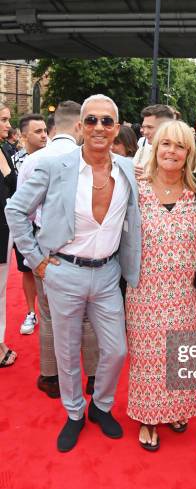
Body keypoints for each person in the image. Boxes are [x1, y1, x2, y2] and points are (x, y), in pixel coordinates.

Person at [6, 94, 141, 453]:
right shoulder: (55, 166)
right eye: (92, 120)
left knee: (115, 350)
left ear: (117, 128)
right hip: (64, 271)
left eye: (107, 121)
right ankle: (75, 413)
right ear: (81, 127)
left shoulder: (128, 169)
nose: (99, 127)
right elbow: (16, 210)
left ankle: (101, 406)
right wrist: (35, 259)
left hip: (109, 274)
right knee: (66, 352)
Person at [126, 120, 196, 450]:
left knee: (183, 355)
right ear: (155, 147)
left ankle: (177, 409)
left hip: (190, 293)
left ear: (188, 153)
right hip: (145, 291)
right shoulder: (136, 187)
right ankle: (148, 416)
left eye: (180, 146)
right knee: (148, 357)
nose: (172, 151)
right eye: (165, 144)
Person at [17, 101, 99, 399]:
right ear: (79, 125)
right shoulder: (89, 158)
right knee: (88, 316)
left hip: (46, 247)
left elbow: (20, 212)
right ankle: (91, 378)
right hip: (86, 246)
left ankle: (51, 378)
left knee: (50, 315)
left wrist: (33, 256)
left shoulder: (33, 160)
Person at [13, 113, 48, 336]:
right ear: (24, 135)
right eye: (38, 131)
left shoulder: (53, 157)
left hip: (47, 227)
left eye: (45, 130)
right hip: (25, 225)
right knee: (27, 269)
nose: (44, 135)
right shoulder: (16, 159)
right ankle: (30, 311)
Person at [0, 102, 17, 367]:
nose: (9, 125)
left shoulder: (5, 149)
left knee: (1, 291)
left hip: (5, 231)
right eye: (3, 119)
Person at [132, 104, 174, 176]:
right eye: (144, 127)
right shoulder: (144, 148)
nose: (145, 132)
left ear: (166, 127)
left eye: (150, 127)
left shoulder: (176, 154)